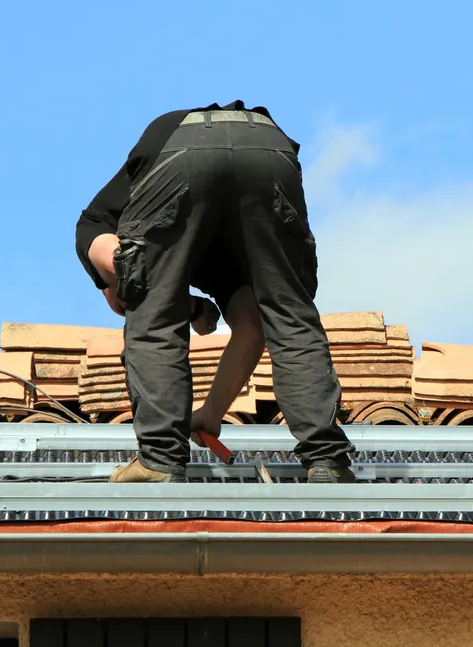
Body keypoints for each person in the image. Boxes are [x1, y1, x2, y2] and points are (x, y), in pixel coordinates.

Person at [74, 100, 356, 484]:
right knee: (289, 314)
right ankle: (327, 460)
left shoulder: (151, 234)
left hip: (180, 148)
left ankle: (159, 460)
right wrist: (212, 411)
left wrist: (119, 281)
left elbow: (93, 228)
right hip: (268, 149)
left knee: (153, 311)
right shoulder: (230, 252)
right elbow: (252, 329)